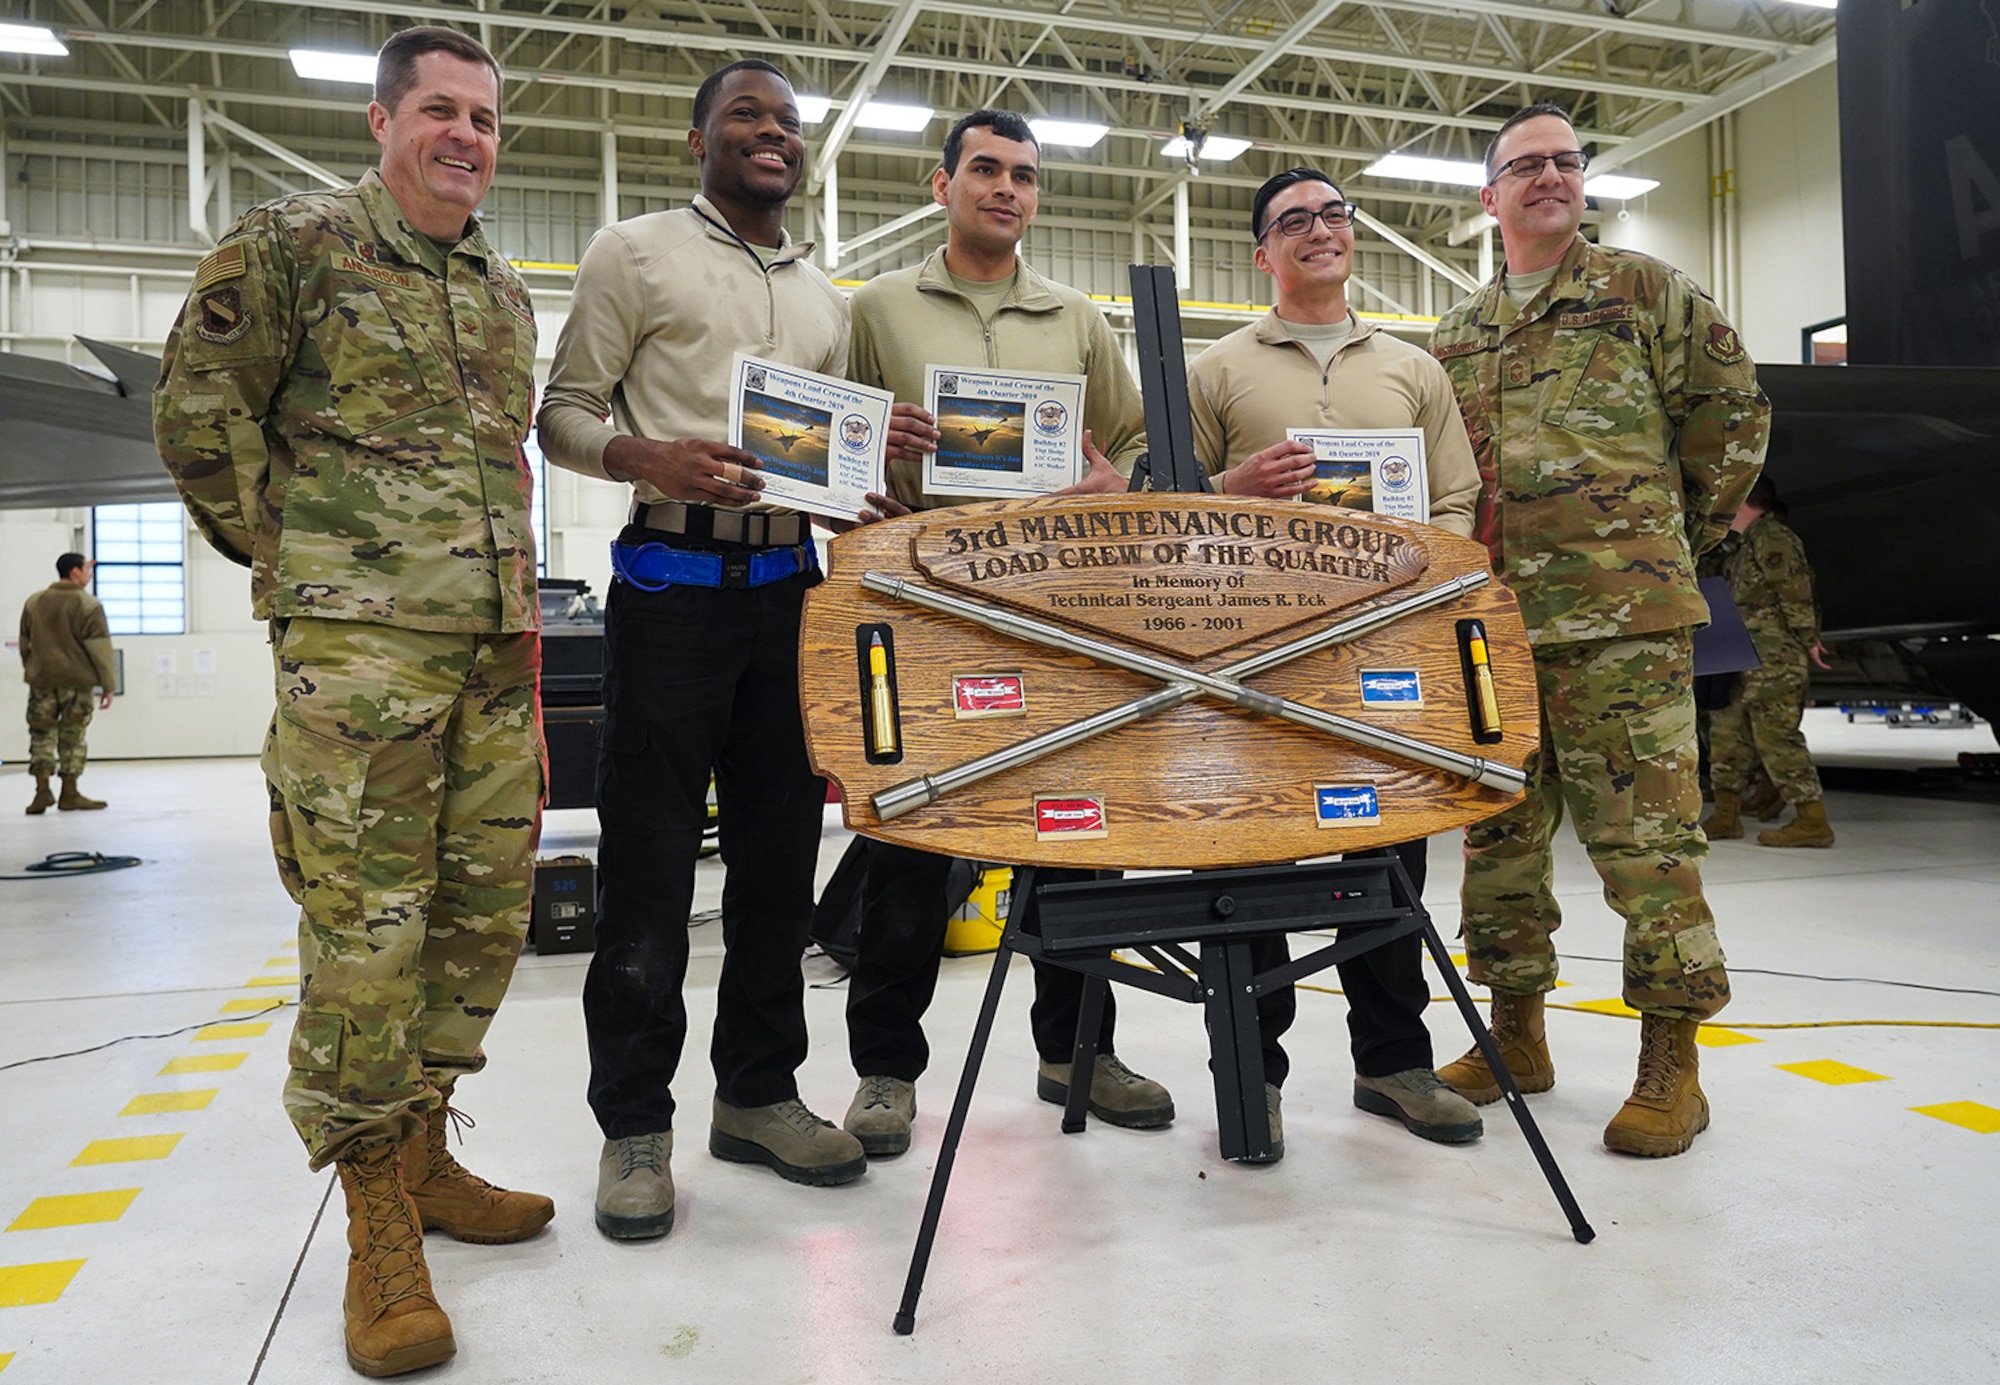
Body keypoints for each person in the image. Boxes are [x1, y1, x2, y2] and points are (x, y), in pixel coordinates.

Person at [154, 27, 551, 1376]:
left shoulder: (502, 290)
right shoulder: (297, 245)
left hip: (496, 656)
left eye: (487, 118)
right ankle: (378, 1220)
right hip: (358, 659)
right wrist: (301, 569)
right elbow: (199, 419)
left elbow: (506, 468)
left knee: (484, 916)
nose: (467, 135)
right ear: (383, 122)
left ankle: (428, 1148)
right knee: (364, 936)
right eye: (440, 109)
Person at [537, 59, 863, 1243]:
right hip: (671, 589)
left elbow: (830, 461)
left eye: (786, 120)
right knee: (650, 872)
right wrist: (647, 457)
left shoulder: (825, 295)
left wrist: (864, 476)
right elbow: (563, 410)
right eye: (744, 115)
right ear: (697, 140)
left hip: (791, 595)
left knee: (781, 866)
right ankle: (634, 1124)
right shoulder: (634, 253)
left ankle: (759, 1094)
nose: (770, 134)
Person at [1428, 102, 1767, 1159]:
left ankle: (1672, 1064)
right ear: (1488, 199)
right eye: (1522, 165)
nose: (1548, 177)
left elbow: (1733, 417)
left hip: (1624, 627)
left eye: (1565, 161)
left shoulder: (1643, 292)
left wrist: (1664, 538)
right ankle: (1515, 1034)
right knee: (1497, 842)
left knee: (1648, 848)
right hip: (1493, 630)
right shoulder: (1452, 336)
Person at [836, 108, 1173, 1160]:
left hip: (1058, 615)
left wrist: (1119, 481)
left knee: (1077, 837)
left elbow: (1134, 438)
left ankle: (1076, 1049)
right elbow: (843, 436)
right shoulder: (879, 307)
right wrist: (857, 492)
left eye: (1023, 175)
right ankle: (885, 1072)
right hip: (924, 608)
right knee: (904, 839)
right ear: (941, 185)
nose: (1006, 189)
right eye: (985, 169)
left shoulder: (1074, 317)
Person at [1185, 167, 1486, 1154]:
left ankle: (1391, 1061)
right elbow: (1169, 510)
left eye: (1332, 213)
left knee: (1388, 852)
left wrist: (1419, 568)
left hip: (1379, 647)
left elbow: (1454, 499)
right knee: (1247, 853)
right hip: (1253, 654)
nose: (1319, 229)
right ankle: (1250, 1072)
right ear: (1262, 252)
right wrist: (1234, 487)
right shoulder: (1216, 369)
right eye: (1292, 220)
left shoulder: (1411, 367)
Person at [1705, 477, 1834, 847]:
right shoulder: (1742, 546)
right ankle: (1726, 816)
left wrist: (1808, 640)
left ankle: (1813, 821)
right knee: (1726, 732)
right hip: (1741, 654)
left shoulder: (1772, 537)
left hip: (1773, 657)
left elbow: (1795, 592)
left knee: (1776, 736)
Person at [18, 553, 117, 813]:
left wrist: (34, 668)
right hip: (77, 682)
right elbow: (100, 649)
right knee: (72, 736)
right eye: (86, 569)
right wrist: (108, 684)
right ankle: (69, 794)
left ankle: (41, 792)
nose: (90, 574)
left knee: (41, 734)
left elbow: (25, 643)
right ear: (74, 572)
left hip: (42, 681)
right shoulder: (88, 605)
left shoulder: (34, 602)